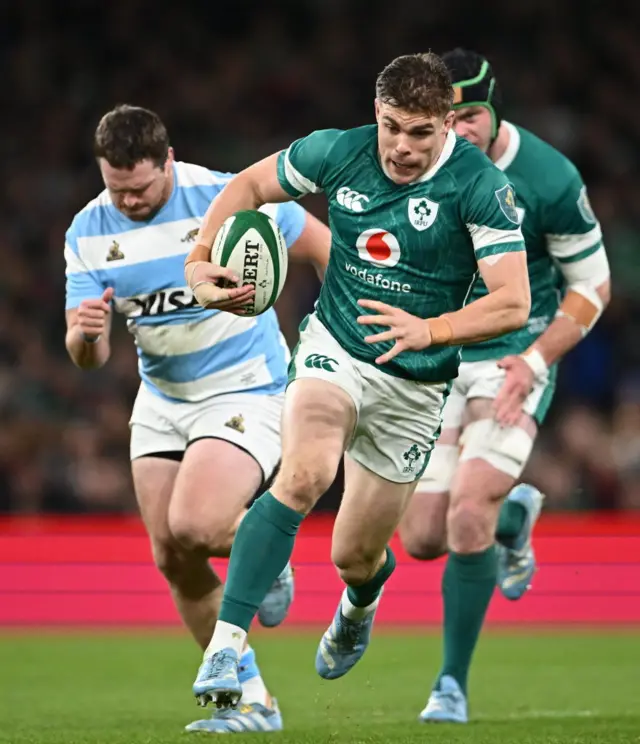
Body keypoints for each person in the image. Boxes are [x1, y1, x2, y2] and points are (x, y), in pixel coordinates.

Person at [182, 52, 531, 710]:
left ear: (448, 124)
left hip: (417, 385)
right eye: (392, 126)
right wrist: (199, 259)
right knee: (305, 471)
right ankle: (227, 644)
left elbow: (512, 301)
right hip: (336, 348)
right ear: (377, 113)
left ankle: (360, 603)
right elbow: (248, 187)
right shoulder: (337, 152)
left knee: (356, 555)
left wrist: (432, 330)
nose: (402, 146)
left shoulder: (478, 186)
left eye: (421, 132)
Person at [64, 104, 331, 734]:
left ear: (170, 162)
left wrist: (332, 339)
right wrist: (85, 336)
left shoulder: (227, 198)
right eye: (115, 187)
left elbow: (326, 249)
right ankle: (252, 703)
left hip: (246, 386)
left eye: (142, 187)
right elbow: (88, 359)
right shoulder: (87, 232)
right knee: (171, 555)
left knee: (199, 522)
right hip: (161, 399)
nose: (128, 200)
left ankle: (264, 550)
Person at [398, 49, 611, 723]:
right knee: (422, 539)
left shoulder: (547, 177)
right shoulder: (411, 166)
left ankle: (450, 687)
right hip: (438, 357)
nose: (457, 132)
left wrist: (538, 359)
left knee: (465, 516)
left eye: (469, 117)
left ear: (494, 110)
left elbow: (593, 285)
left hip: (513, 356)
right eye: (444, 119)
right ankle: (513, 519)